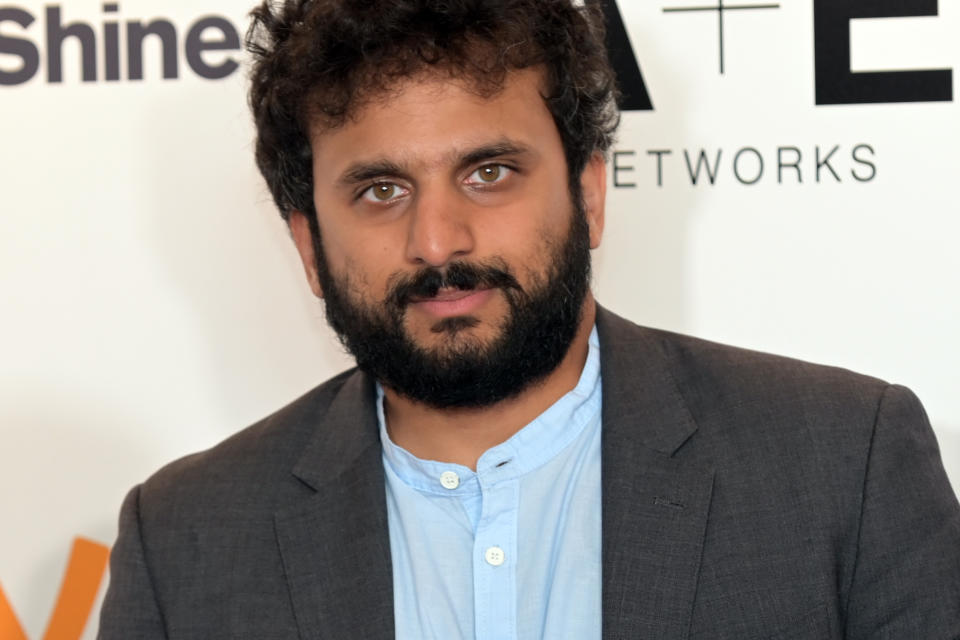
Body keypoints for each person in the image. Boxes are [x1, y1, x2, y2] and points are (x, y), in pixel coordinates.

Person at [98, 0, 960, 638]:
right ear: (310, 247)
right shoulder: (183, 542)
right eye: (380, 190)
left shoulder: (845, 468)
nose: (437, 241)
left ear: (588, 194)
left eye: (489, 172)